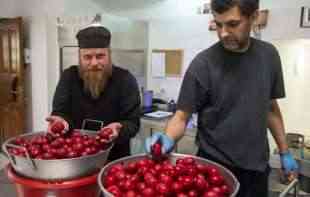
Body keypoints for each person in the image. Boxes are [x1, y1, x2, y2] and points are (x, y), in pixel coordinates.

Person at [145, 0, 298, 196]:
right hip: (213, 172)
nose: (223, 33)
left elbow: (269, 107)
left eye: (232, 24)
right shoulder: (203, 64)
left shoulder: (269, 56)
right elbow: (182, 116)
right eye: (218, 24)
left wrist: (284, 151)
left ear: (253, 17)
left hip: (257, 170)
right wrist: (167, 136)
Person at [46, 24, 141, 161]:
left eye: (100, 56)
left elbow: (133, 123)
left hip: (114, 159)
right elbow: (60, 111)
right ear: (80, 57)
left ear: (109, 55)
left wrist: (119, 128)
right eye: (88, 57)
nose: (94, 62)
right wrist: (60, 121)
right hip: (76, 156)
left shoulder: (125, 79)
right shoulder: (69, 77)